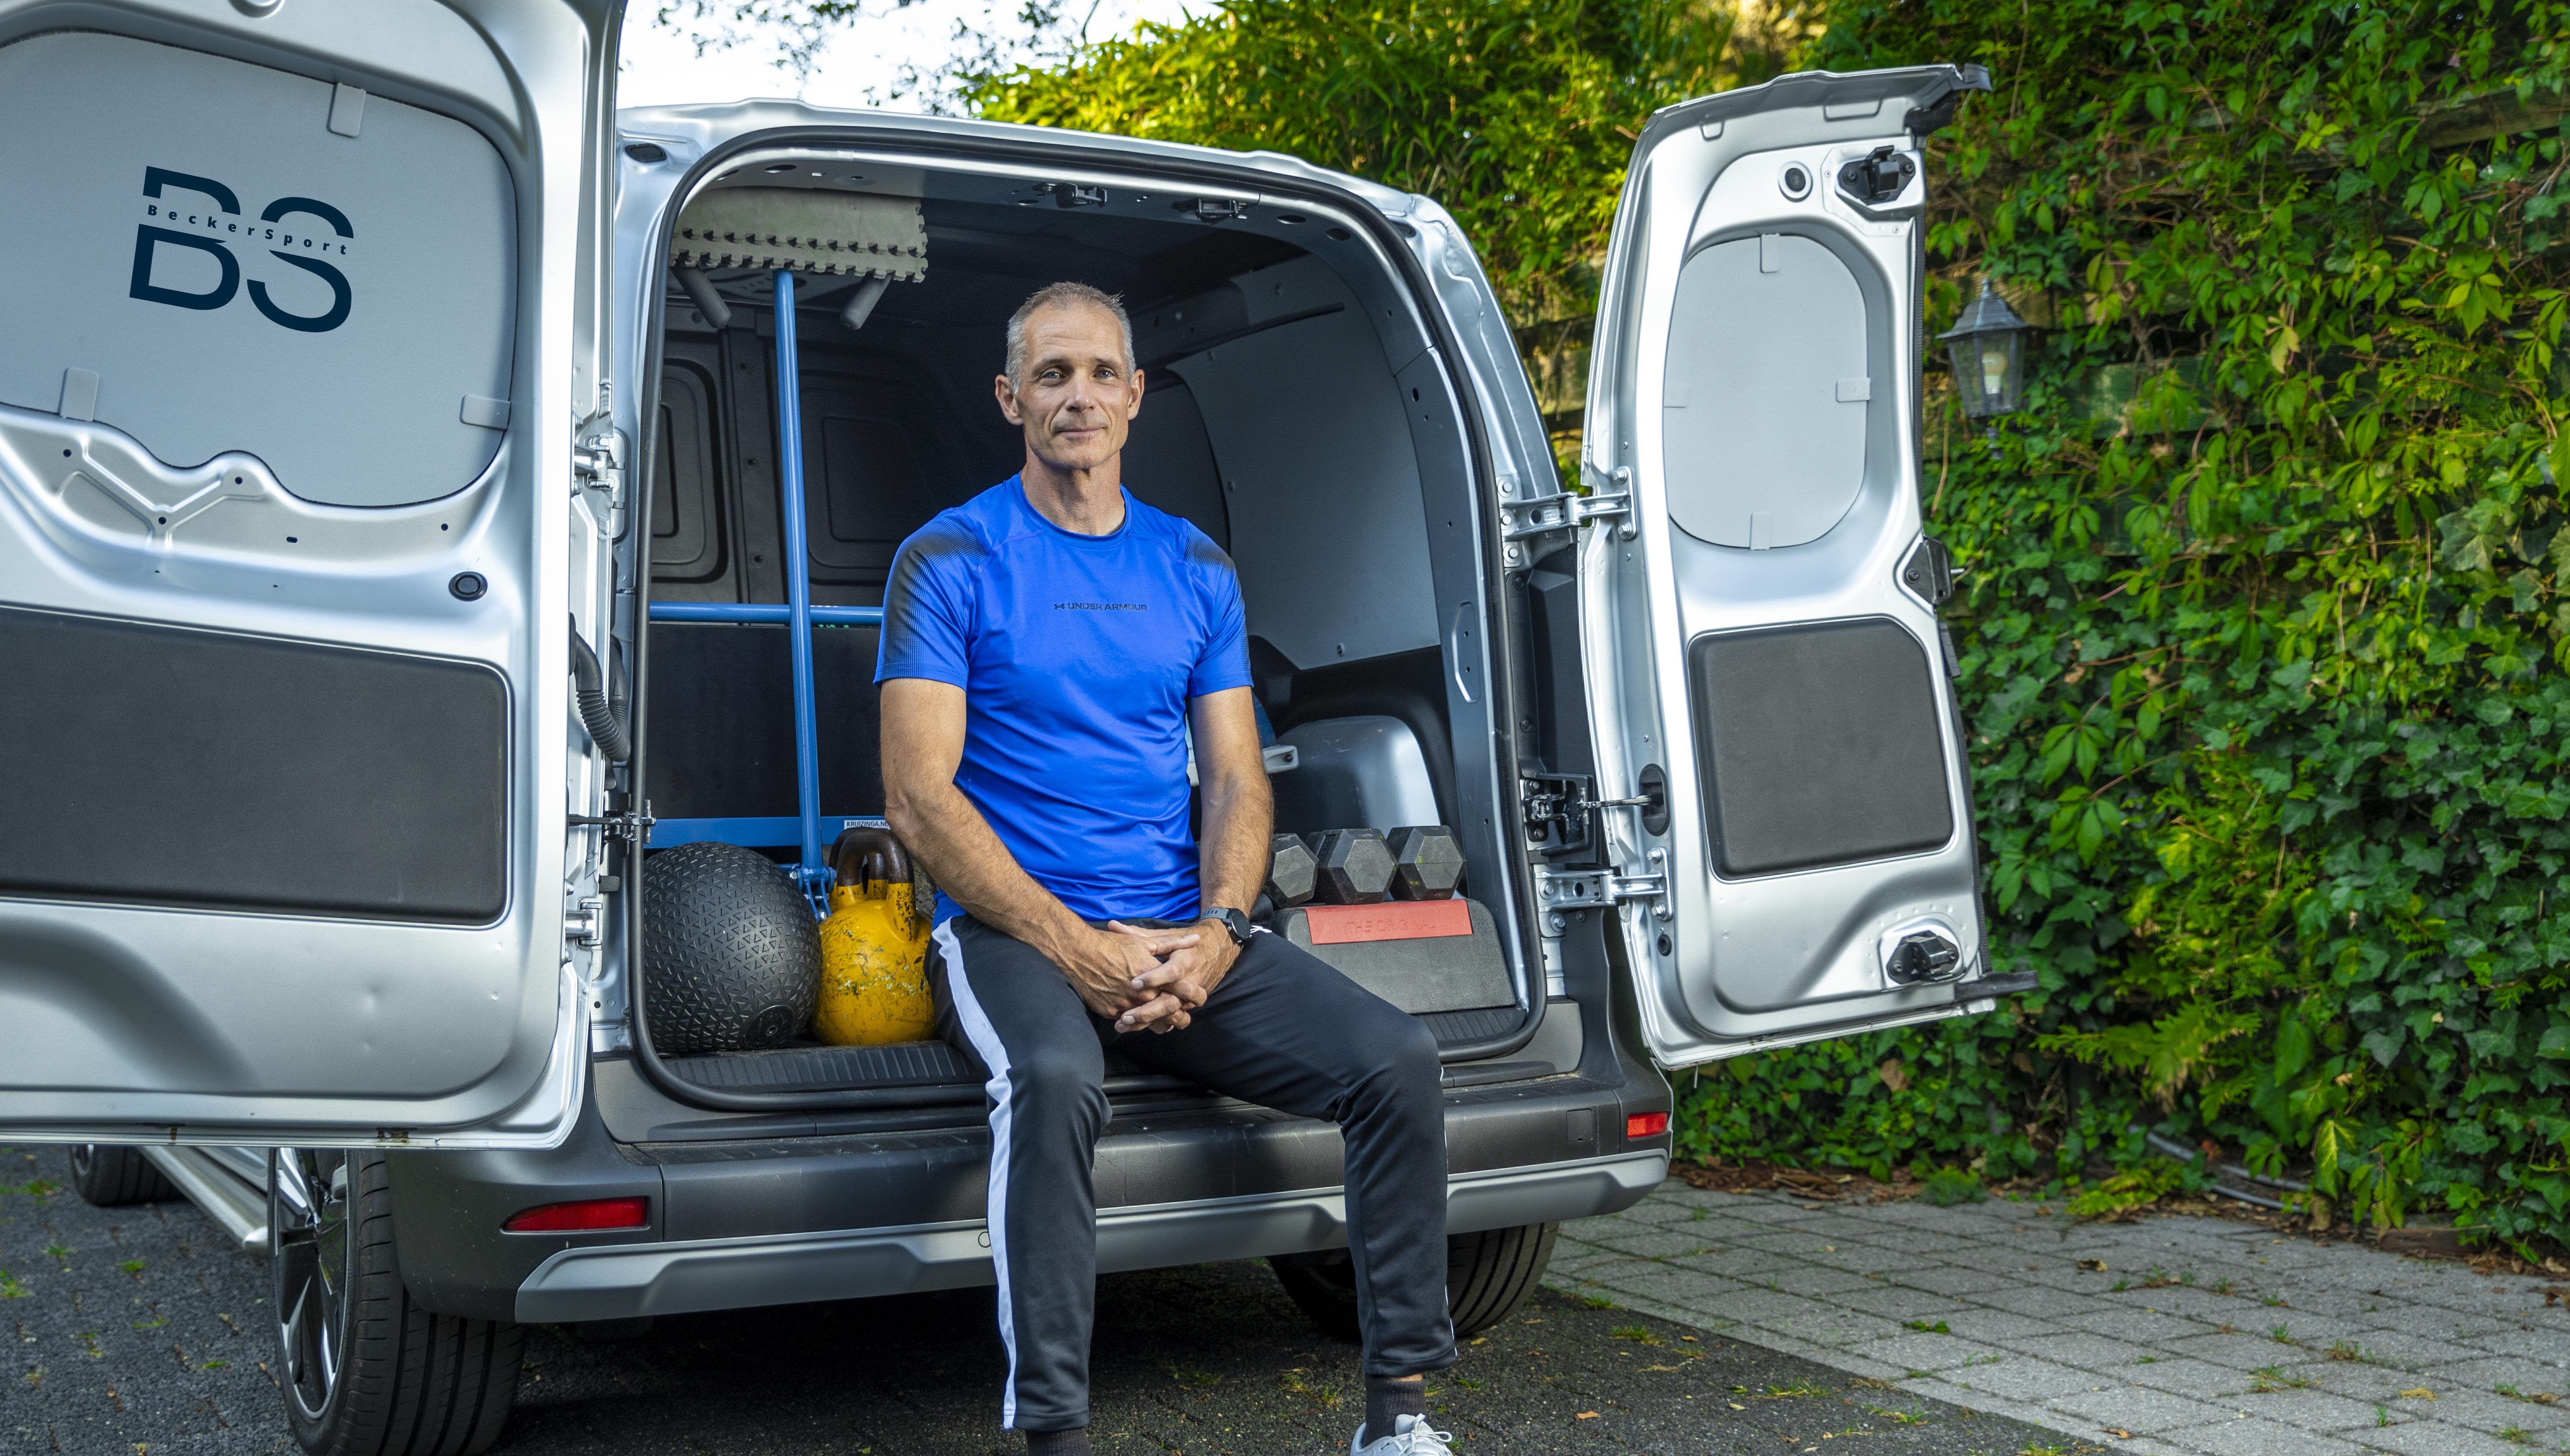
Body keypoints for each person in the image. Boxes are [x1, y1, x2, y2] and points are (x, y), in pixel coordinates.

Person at [876, 280, 1457, 1455]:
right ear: (1010, 398)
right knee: (1051, 1080)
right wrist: (1071, 945)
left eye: (1099, 374)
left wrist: (1221, 933)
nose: (1076, 396)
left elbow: (1239, 780)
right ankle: (1053, 1433)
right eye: (1050, 375)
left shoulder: (1193, 565)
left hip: (1178, 932)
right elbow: (917, 799)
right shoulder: (948, 557)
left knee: (1395, 1061)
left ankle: (1399, 1415)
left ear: (1136, 396)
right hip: (1008, 932)